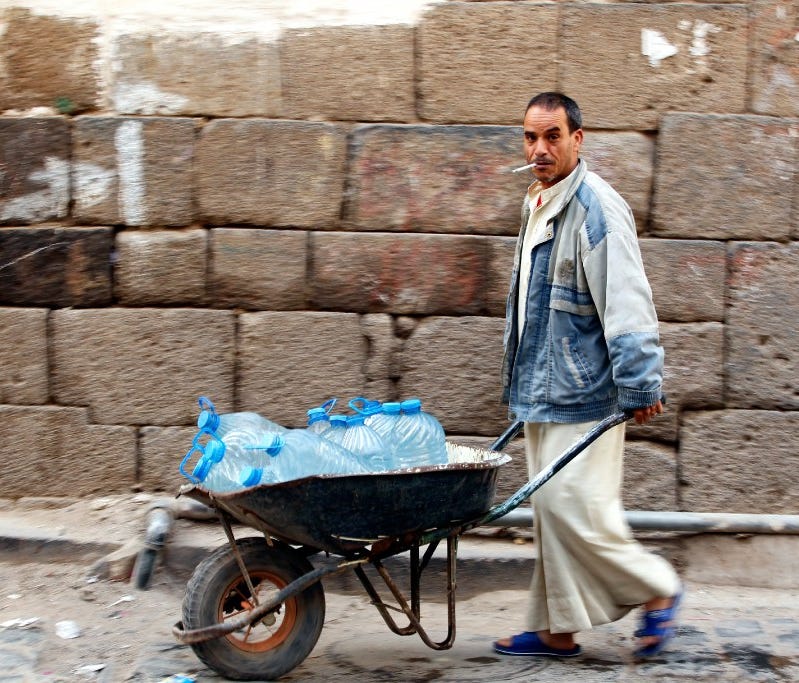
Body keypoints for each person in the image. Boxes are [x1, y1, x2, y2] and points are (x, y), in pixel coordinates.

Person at [494, 92, 681, 660]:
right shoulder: (539, 200)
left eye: (552, 136)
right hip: (541, 384)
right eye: (531, 137)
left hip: (586, 389)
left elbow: (626, 299)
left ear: (578, 139)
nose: (540, 148)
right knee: (551, 508)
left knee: (576, 507)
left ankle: (659, 588)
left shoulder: (597, 208)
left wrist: (641, 383)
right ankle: (556, 629)